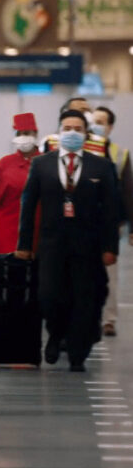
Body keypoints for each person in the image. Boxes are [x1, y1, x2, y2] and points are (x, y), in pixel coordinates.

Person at [16, 109, 118, 372]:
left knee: (83, 298)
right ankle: (56, 333)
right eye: (67, 128)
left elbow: (110, 210)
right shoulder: (42, 164)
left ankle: (77, 353)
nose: (71, 133)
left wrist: (110, 247)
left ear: (86, 134)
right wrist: (24, 245)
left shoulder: (102, 166)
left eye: (77, 129)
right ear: (59, 132)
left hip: (88, 245)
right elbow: (28, 205)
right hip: (51, 244)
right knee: (49, 295)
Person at [91, 107, 133, 337]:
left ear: (110, 127)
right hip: (83, 224)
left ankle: (109, 319)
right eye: (94, 121)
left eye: (102, 122)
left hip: (109, 225)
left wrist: (129, 225)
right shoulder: (83, 149)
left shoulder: (118, 153)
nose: (97, 125)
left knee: (110, 274)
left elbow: (128, 192)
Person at [0, 113, 40, 257]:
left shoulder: (46, 163)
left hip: (37, 231)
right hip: (5, 230)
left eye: (27, 133)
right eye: (20, 133)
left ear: (35, 133)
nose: (23, 137)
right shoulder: (5, 164)